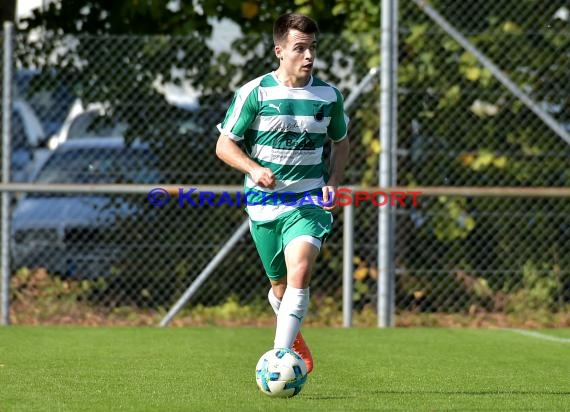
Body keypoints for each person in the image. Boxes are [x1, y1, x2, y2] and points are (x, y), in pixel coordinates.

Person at [215, 12, 350, 374]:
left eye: (313, 49)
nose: (308, 56)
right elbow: (224, 146)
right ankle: (294, 339)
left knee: (300, 270)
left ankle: (279, 359)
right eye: (299, 48)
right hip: (263, 205)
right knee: (279, 288)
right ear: (280, 51)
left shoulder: (328, 96)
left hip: (308, 200)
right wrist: (254, 169)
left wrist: (333, 182)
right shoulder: (255, 92)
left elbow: (341, 143)